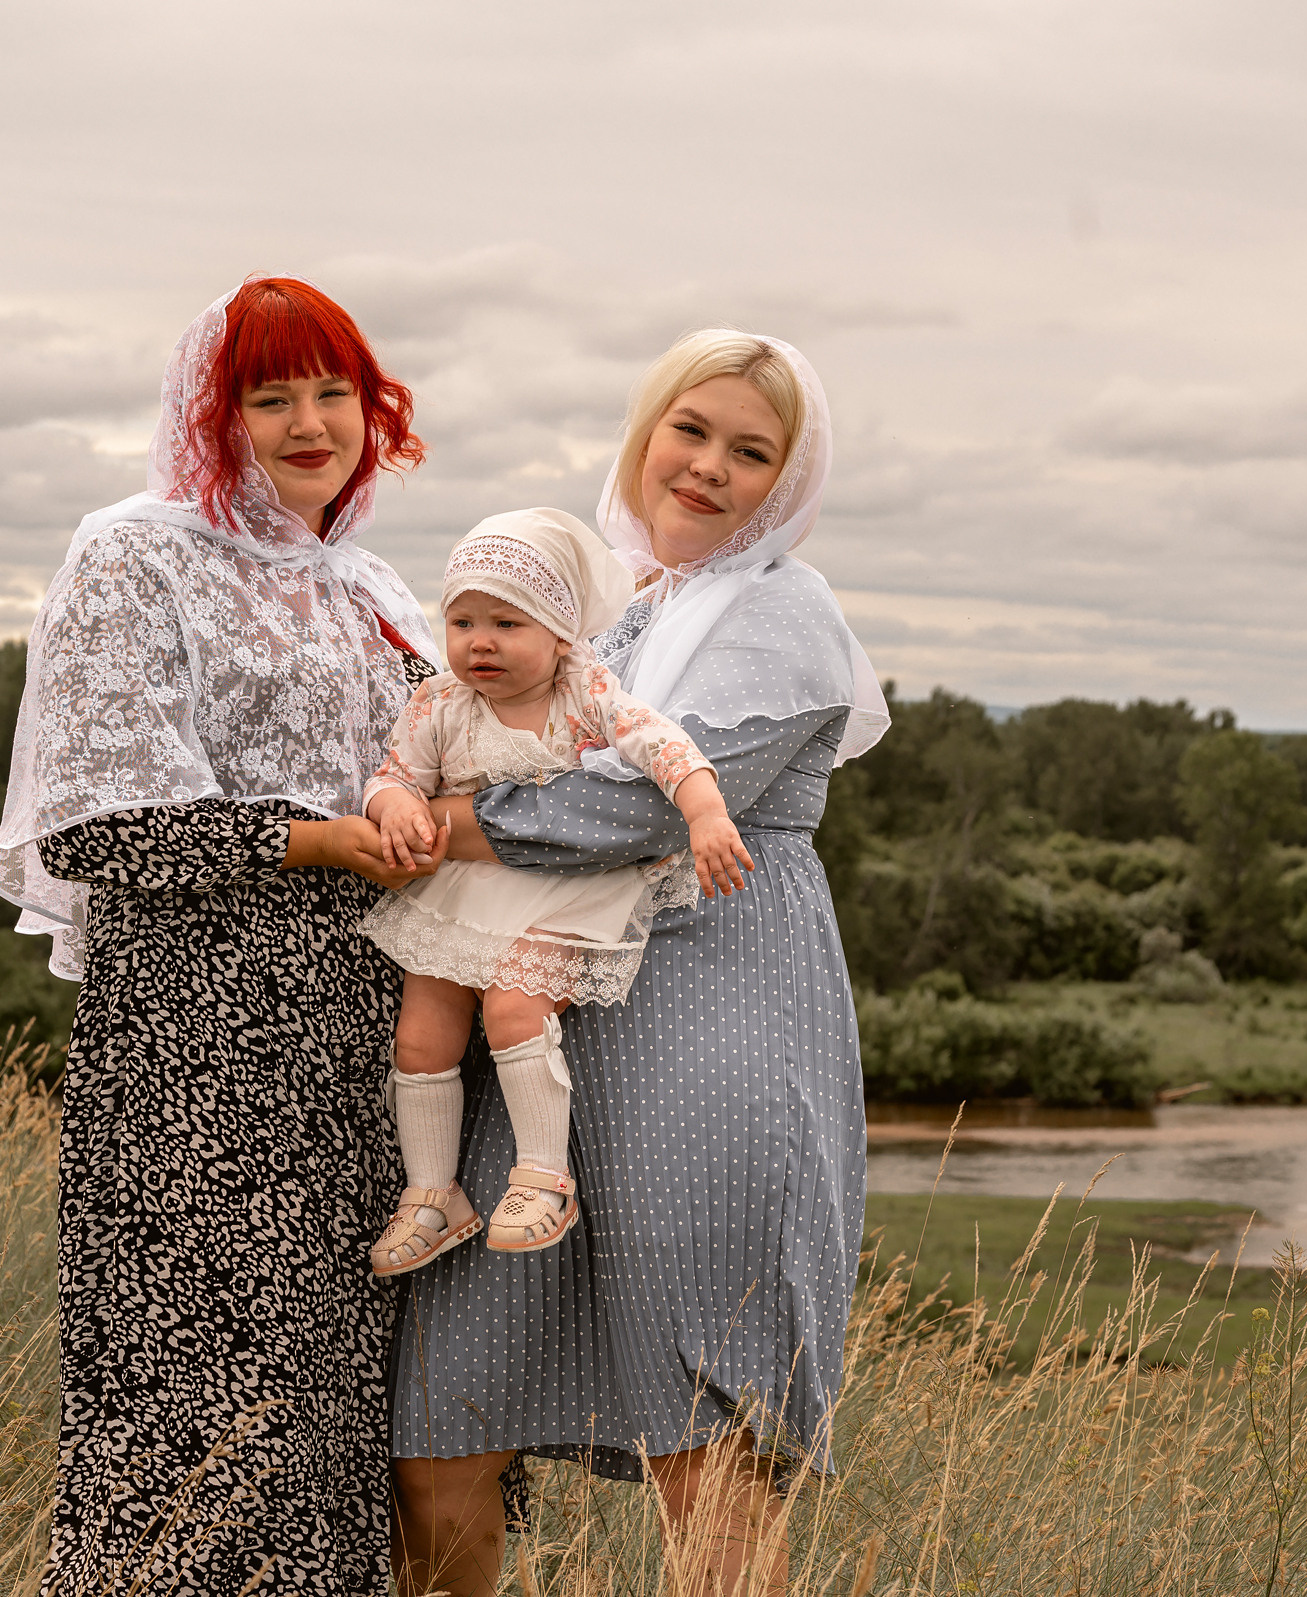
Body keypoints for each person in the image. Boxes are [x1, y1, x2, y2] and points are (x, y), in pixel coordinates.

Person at [389, 330, 889, 1596]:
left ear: (786, 481)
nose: (710, 467)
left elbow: (641, 810)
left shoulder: (785, 611)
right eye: (691, 430)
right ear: (647, 431)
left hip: (709, 1018)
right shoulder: (600, 599)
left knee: (698, 1429)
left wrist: (405, 832)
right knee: (446, 1412)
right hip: (544, 1011)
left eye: (751, 451)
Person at [0, 276, 445, 1594]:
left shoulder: (371, 585)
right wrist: (327, 835)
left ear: (373, 407)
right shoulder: (136, 551)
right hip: (197, 1060)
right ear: (210, 415)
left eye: (333, 390)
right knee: (188, 1427)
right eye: (269, 394)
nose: (309, 421)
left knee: (332, 1432)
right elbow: (98, 827)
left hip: (361, 1060)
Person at [361, 507, 755, 1277]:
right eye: (463, 620)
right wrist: (395, 806)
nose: (480, 641)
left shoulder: (586, 692)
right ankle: (433, 1193)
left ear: (560, 633)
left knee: (514, 1002)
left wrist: (704, 809)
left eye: (507, 622)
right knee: (421, 1032)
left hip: (557, 882)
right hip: (464, 888)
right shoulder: (439, 703)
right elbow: (395, 775)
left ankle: (544, 1175)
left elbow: (662, 741)